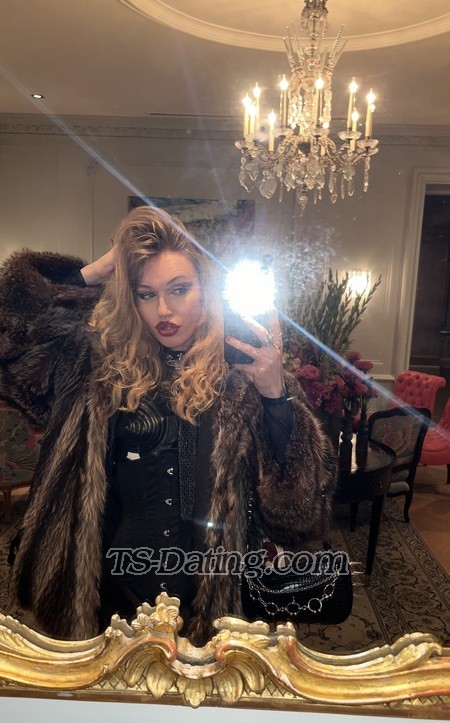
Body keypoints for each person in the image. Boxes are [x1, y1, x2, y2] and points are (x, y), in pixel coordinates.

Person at [0, 205, 336, 645]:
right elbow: (9, 337)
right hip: (105, 599)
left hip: (211, 609)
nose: (163, 309)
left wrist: (276, 396)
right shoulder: (93, 368)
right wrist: (95, 272)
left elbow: (301, 514)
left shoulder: (246, 376)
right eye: (145, 294)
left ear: (207, 290)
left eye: (179, 289)